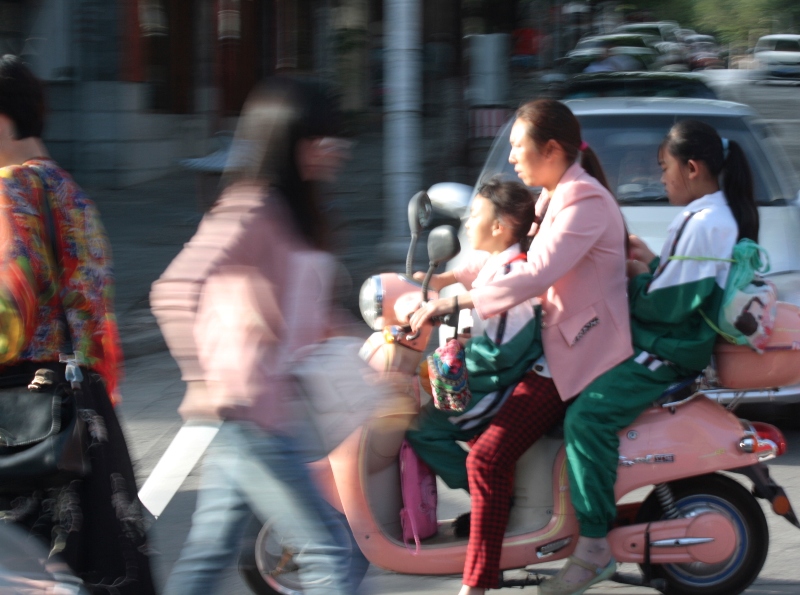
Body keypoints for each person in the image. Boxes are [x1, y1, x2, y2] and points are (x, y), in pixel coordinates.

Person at [408, 98, 632, 595]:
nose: (511, 157)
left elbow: (534, 273)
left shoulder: (584, 201)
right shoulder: (554, 195)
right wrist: (441, 277)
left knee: (486, 458)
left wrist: (452, 304)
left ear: (550, 149)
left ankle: (478, 582)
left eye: (517, 147)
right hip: (548, 350)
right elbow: (506, 254)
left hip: (576, 356)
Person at [151, 75, 357, 595]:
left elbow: (304, 310)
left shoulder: (294, 212)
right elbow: (174, 288)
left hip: (263, 413)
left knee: (209, 554)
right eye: (322, 138)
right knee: (334, 554)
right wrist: (199, 378)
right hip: (251, 415)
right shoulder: (253, 207)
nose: (335, 150)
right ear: (291, 144)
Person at [542, 119, 759, 595]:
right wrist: (650, 265)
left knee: (587, 418)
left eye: (665, 168)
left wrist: (630, 279)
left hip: (668, 349)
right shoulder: (711, 215)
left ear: (693, 167)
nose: (661, 178)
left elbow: (666, 304)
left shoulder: (704, 221)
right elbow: (679, 285)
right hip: (666, 339)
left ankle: (595, 545)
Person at [0, 55, 156, 594]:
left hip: (19, 414)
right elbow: (94, 311)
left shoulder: (8, 193)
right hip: (80, 407)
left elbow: (7, 318)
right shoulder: (71, 191)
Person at [406, 177, 540, 492]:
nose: (468, 224)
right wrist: (435, 282)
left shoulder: (512, 276)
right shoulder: (495, 262)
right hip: (484, 379)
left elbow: (501, 353)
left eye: (476, 216)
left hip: (495, 387)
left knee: (421, 430)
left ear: (500, 227)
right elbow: (469, 273)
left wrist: (456, 362)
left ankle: (487, 495)